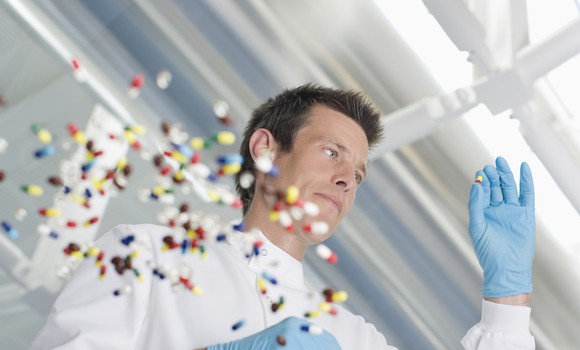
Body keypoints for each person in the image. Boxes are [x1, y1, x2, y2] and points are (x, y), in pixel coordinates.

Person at [31, 84, 535, 349]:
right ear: (266, 150)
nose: (347, 180)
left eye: (359, 174)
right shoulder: (141, 256)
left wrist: (507, 297)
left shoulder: (351, 337)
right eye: (333, 153)